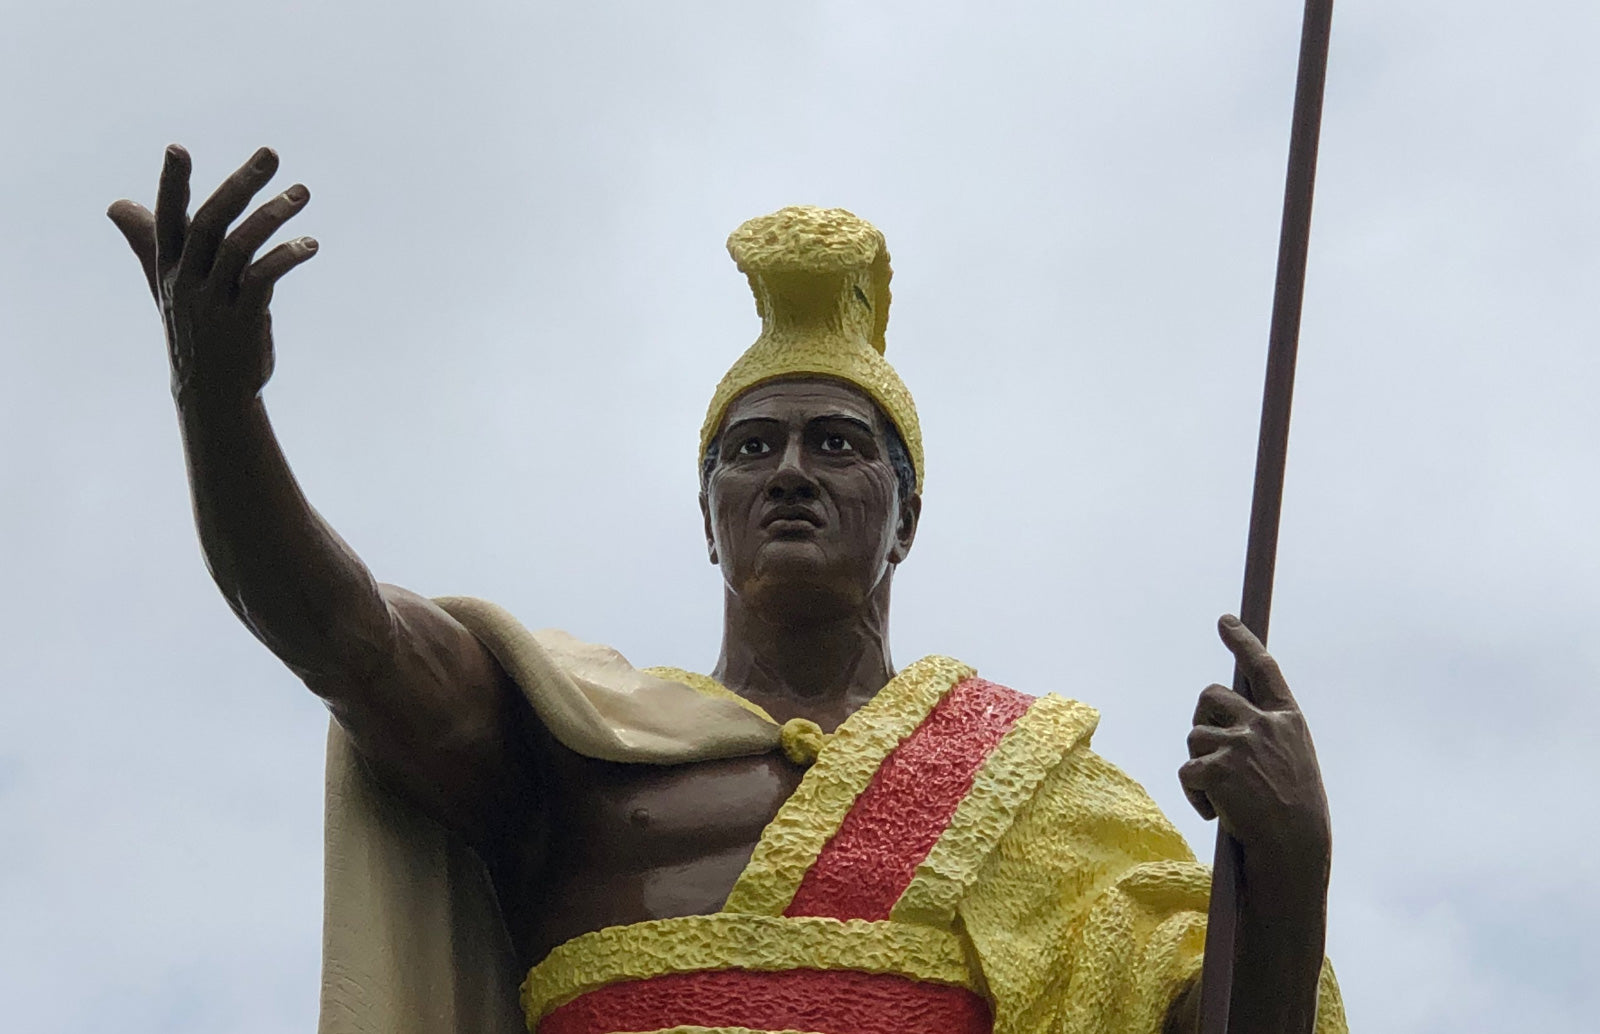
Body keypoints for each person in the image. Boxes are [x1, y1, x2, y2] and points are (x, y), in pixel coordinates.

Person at [108, 146, 1346, 1034]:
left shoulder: (1035, 786)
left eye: (838, 444)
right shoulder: (575, 748)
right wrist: (218, 403)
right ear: (708, 519)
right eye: (751, 450)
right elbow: (339, 631)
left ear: (904, 515)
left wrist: (1288, 866)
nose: (791, 471)